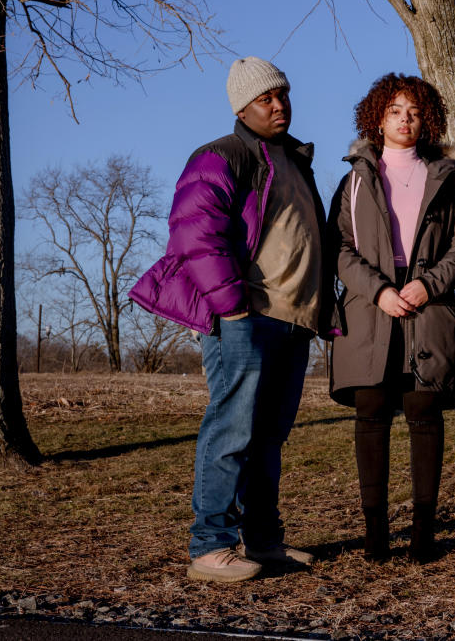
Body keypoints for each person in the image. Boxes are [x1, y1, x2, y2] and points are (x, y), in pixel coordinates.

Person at [132, 56, 333, 583]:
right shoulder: (221, 155)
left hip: (293, 319)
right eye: (266, 98)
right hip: (245, 316)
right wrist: (232, 305)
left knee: (269, 436)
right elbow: (195, 233)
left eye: (283, 95)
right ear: (241, 106)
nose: (279, 105)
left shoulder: (295, 160)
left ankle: (263, 541)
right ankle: (211, 545)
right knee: (231, 427)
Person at [327, 74, 455, 563]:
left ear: (426, 119)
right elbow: (340, 249)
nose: (404, 119)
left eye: (413, 111)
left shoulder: (450, 176)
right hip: (371, 306)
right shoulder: (353, 179)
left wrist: (428, 284)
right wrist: (379, 290)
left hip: (428, 302)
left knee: (423, 413)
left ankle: (424, 535)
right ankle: (374, 535)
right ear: (377, 118)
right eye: (394, 110)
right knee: (371, 411)